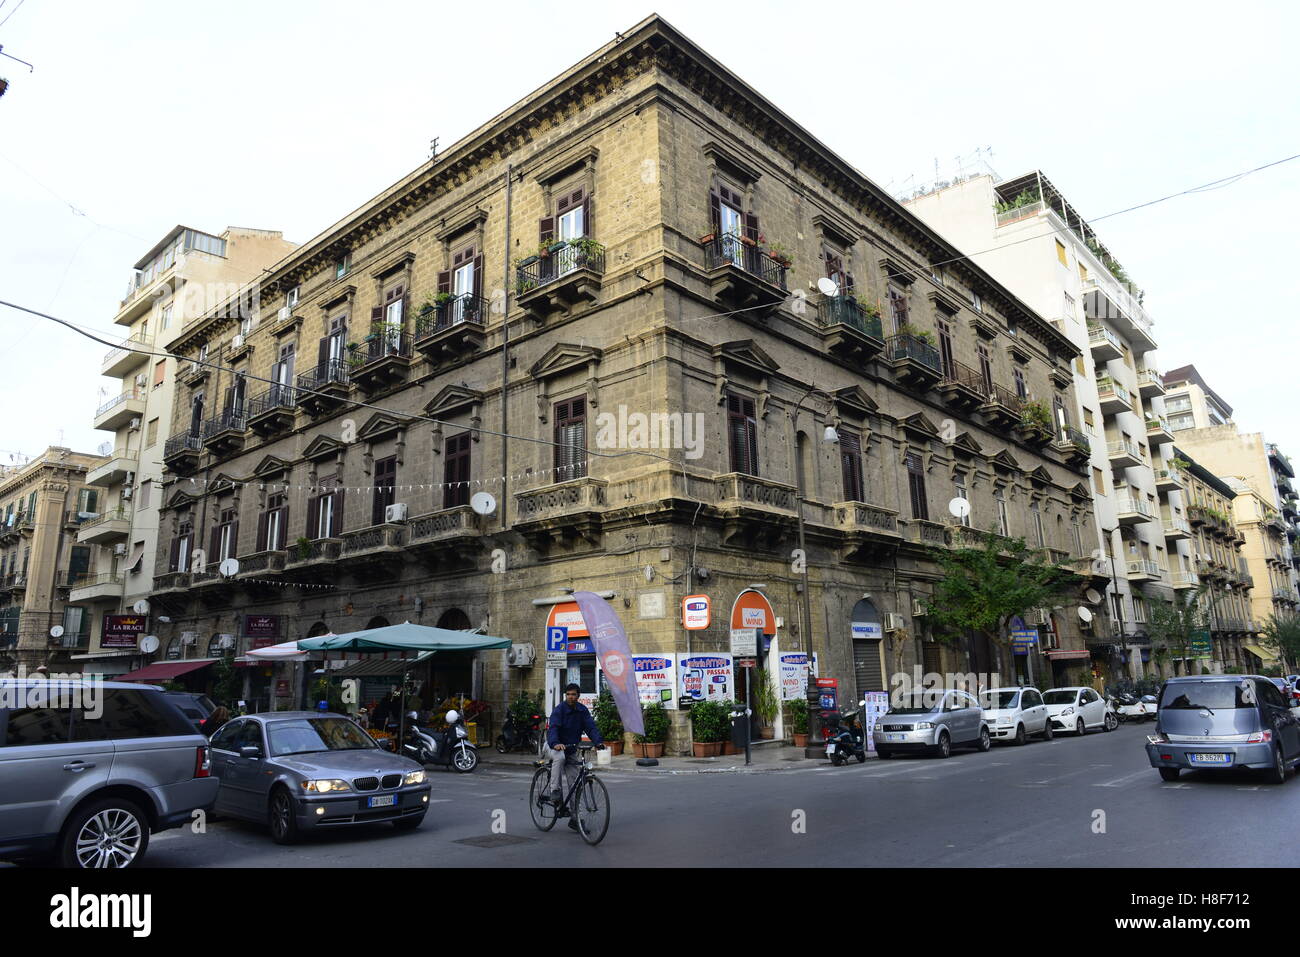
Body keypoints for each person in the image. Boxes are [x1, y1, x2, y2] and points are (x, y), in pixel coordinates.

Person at [546, 683, 603, 830]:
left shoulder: (582, 710)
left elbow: (590, 727)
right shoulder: (559, 710)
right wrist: (556, 743)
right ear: (566, 695)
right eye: (569, 694)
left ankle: (574, 818)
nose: (571, 697)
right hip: (554, 746)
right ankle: (555, 790)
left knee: (575, 785)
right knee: (560, 757)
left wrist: (598, 742)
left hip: (570, 749)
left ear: (578, 696)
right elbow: (553, 729)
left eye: (574, 694)